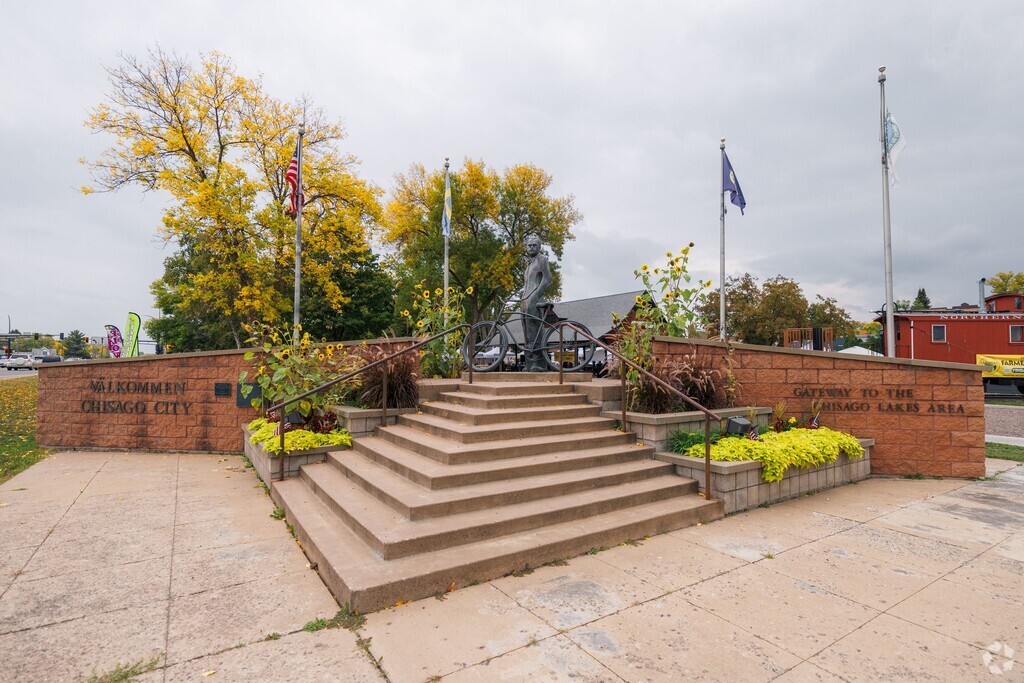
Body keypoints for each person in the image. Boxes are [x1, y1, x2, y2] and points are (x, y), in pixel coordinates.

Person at [521, 233, 553, 372]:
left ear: (539, 247)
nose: (532, 247)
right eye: (529, 245)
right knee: (527, 332)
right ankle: (529, 363)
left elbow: (547, 279)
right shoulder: (529, 263)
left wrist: (535, 295)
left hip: (534, 300)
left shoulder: (542, 259)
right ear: (526, 248)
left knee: (535, 331)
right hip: (524, 300)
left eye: (535, 245)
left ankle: (539, 363)